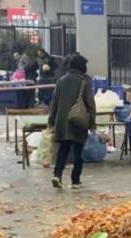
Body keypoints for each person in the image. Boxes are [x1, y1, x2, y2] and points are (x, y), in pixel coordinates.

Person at [47, 54, 96, 189]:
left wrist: (51, 121)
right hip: (78, 120)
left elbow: (54, 103)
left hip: (62, 121)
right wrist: (92, 123)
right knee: (78, 151)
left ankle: (57, 175)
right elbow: (90, 103)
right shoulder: (85, 81)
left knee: (63, 149)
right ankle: (75, 180)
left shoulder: (61, 80)